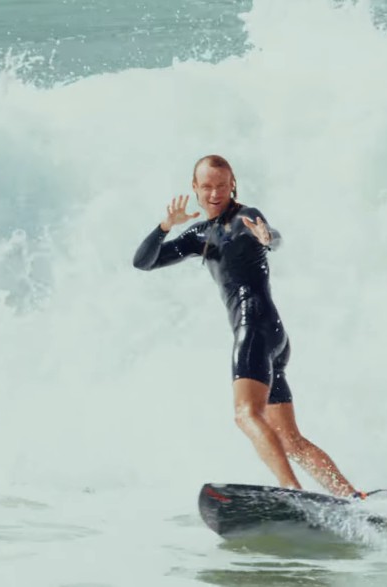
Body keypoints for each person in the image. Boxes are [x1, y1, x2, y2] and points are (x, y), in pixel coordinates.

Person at [132, 154, 365, 499]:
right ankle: (352, 498)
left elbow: (270, 236)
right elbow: (143, 262)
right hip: (273, 336)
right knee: (290, 440)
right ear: (195, 187)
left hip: (254, 327)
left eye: (222, 186)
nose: (215, 193)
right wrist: (165, 226)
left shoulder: (245, 218)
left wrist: (267, 238)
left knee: (245, 414)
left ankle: (291, 491)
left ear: (233, 185)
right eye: (207, 186)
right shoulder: (198, 235)